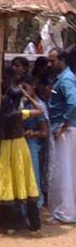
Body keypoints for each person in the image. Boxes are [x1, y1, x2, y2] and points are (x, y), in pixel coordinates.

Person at [0, 87, 41, 235]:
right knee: (25, 181)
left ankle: (10, 226)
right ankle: (35, 227)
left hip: (5, 150)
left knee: (8, 183)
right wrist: (29, 96)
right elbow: (40, 111)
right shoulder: (19, 114)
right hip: (19, 148)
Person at [46, 48, 76, 223]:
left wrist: (63, 124)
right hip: (68, 129)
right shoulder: (66, 78)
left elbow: (73, 102)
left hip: (65, 131)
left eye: (53, 61)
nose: (50, 64)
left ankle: (65, 213)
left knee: (64, 172)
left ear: (62, 60)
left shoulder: (65, 80)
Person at [20, 79, 49, 209]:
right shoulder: (22, 105)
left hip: (33, 144)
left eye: (25, 88)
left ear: (33, 85)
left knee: (34, 176)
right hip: (21, 144)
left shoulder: (38, 105)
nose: (23, 92)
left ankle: (36, 205)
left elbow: (44, 132)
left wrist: (33, 134)